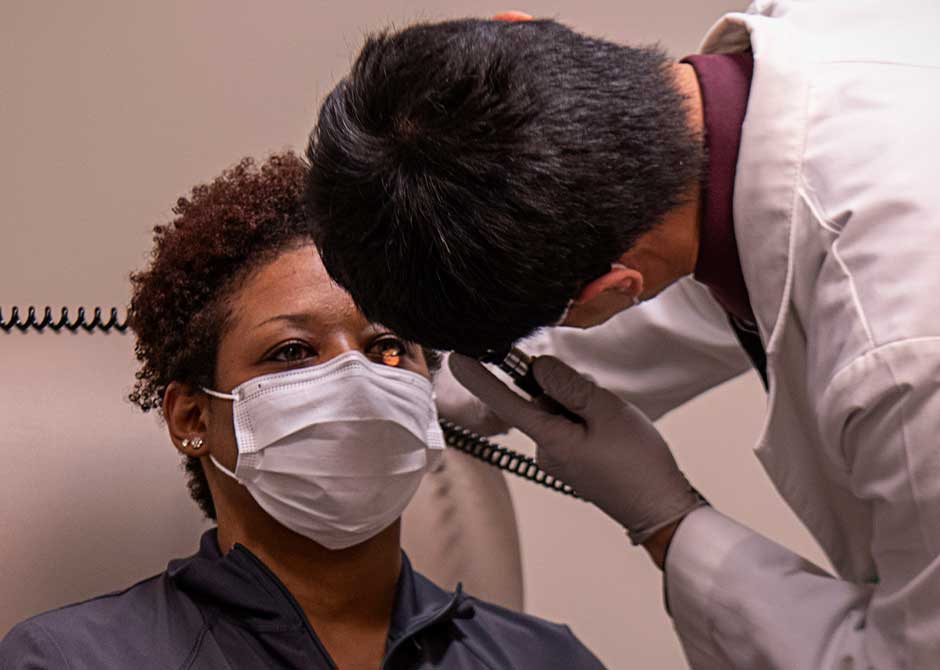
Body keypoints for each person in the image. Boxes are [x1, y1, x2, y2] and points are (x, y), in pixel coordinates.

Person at [303, 3, 940, 668]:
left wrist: (668, 520)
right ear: (518, 24)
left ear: (610, 292)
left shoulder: (906, 359)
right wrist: (441, 391)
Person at [0, 153, 603, 670]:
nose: (358, 379)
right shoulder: (70, 659)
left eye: (387, 347)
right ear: (191, 419)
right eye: (292, 351)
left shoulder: (545, 659)